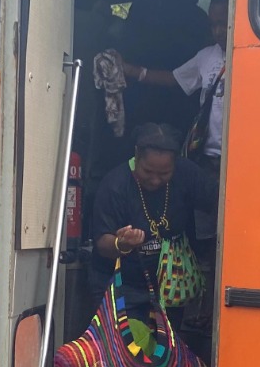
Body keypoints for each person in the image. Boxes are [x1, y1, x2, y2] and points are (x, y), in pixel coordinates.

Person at [116, 0, 228, 240]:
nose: (218, 31)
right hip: (207, 160)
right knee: (207, 234)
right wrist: (132, 71)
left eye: (224, 23)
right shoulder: (206, 56)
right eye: (213, 25)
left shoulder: (254, 53)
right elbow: (175, 79)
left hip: (239, 162)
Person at [88, 121, 214, 327]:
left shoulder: (187, 174)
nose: (155, 180)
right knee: (125, 353)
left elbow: (220, 202)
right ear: (136, 155)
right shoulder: (115, 185)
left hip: (170, 288)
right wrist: (122, 244)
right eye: (147, 171)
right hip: (120, 287)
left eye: (164, 174)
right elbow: (102, 243)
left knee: (165, 353)